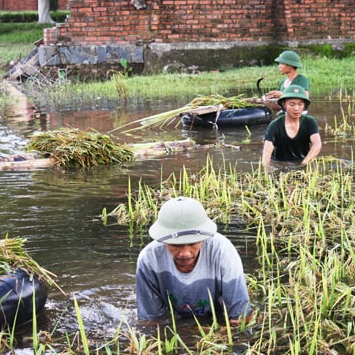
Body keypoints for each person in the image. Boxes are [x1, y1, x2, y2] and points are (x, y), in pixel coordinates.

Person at [136, 196, 252, 325]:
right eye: (175, 245)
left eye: (192, 243)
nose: (185, 254)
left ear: (203, 239)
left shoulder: (223, 252)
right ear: (164, 241)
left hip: (217, 317)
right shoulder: (148, 259)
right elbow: (150, 321)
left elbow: (240, 317)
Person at [262, 84, 322, 167]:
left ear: (304, 105)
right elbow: (266, 157)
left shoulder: (310, 122)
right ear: (284, 105)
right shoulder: (274, 125)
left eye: (300, 104)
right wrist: (269, 171)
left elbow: (317, 144)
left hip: (303, 161)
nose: (296, 108)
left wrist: (304, 164)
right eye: (292, 104)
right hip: (280, 164)